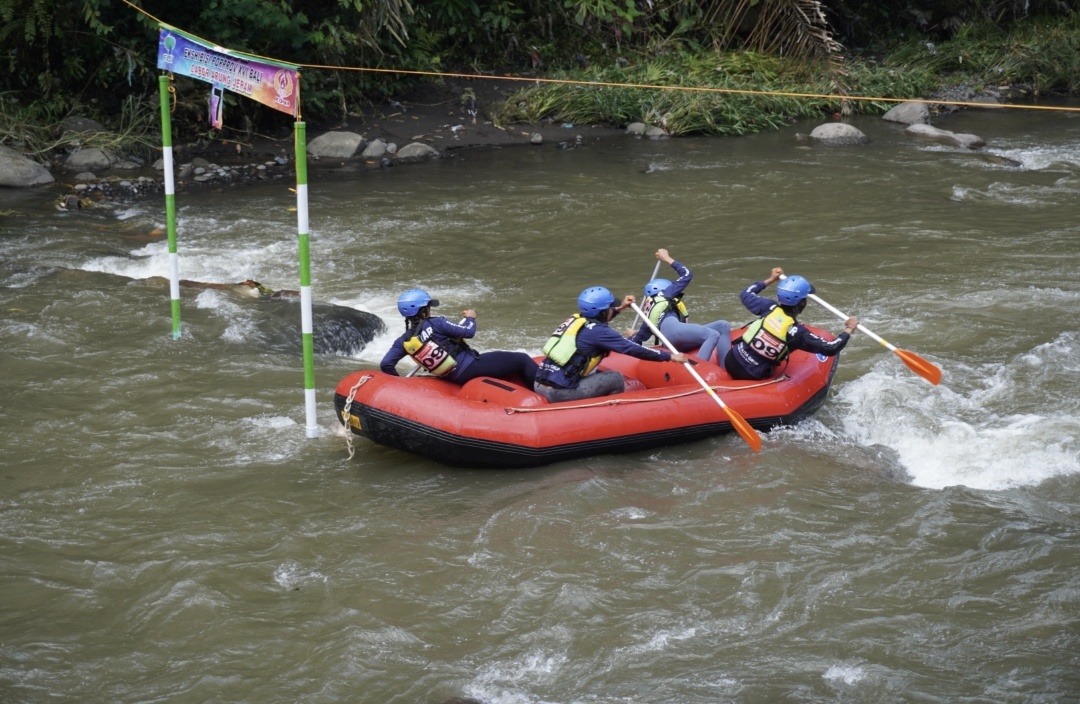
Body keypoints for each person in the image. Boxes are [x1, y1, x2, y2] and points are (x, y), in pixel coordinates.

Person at [534, 285, 689, 402]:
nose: (611, 309)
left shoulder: (576, 319)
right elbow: (633, 348)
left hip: (540, 383)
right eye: (610, 307)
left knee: (595, 371)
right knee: (615, 377)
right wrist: (669, 357)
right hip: (559, 393)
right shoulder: (601, 333)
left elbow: (598, 319)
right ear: (602, 312)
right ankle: (611, 414)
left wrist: (621, 308)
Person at [380, 288, 538, 387]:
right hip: (470, 368)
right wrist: (471, 318)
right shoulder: (437, 323)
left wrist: (398, 383)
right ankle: (547, 391)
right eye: (428, 308)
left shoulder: (403, 341)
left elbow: (386, 364)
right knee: (522, 359)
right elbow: (468, 332)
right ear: (423, 312)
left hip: (451, 377)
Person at [724, 267, 858, 381]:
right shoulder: (797, 332)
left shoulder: (768, 307)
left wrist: (770, 280)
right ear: (802, 303)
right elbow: (831, 348)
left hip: (731, 359)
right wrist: (849, 329)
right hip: (751, 373)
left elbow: (746, 293)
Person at [629, 248, 733, 364]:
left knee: (723, 326)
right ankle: (699, 370)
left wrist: (631, 335)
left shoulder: (648, 316)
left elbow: (635, 343)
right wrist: (667, 258)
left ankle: (727, 370)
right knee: (712, 334)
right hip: (675, 334)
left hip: (675, 342)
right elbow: (687, 274)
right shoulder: (665, 293)